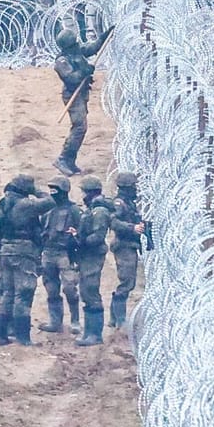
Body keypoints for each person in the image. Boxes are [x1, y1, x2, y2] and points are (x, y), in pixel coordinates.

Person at [0, 174, 54, 345]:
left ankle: (1, 336)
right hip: (23, 251)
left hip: (6, 250)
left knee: (8, 294)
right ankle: (23, 338)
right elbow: (50, 201)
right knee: (24, 294)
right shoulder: (25, 205)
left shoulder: (4, 203)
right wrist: (36, 190)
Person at [53, 25, 106, 177]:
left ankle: (70, 161)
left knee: (81, 127)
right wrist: (84, 71)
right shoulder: (62, 62)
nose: (78, 44)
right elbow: (72, 79)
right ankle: (63, 159)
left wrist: (103, 36)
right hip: (72, 96)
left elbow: (92, 48)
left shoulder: (76, 52)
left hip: (81, 94)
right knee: (79, 127)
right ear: (69, 45)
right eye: (75, 42)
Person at [36, 176, 83, 336]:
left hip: (65, 254)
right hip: (48, 252)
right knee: (51, 288)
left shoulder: (74, 210)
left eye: (56, 189)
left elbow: (81, 232)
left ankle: (75, 321)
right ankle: (55, 322)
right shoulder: (47, 209)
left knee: (70, 288)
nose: (52, 193)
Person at [73, 176, 114, 345]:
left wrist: (80, 240)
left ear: (90, 192)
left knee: (91, 290)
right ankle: (89, 332)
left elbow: (97, 236)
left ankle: (95, 334)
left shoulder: (100, 211)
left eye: (84, 191)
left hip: (93, 255)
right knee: (85, 290)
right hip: (87, 255)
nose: (82, 194)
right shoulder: (92, 209)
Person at [107, 171, 145, 330]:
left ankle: (114, 318)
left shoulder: (129, 203)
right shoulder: (119, 204)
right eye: (133, 186)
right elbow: (113, 221)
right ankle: (120, 320)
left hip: (130, 245)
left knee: (128, 281)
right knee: (126, 282)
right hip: (123, 246)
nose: (135, 189)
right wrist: (132, 228)